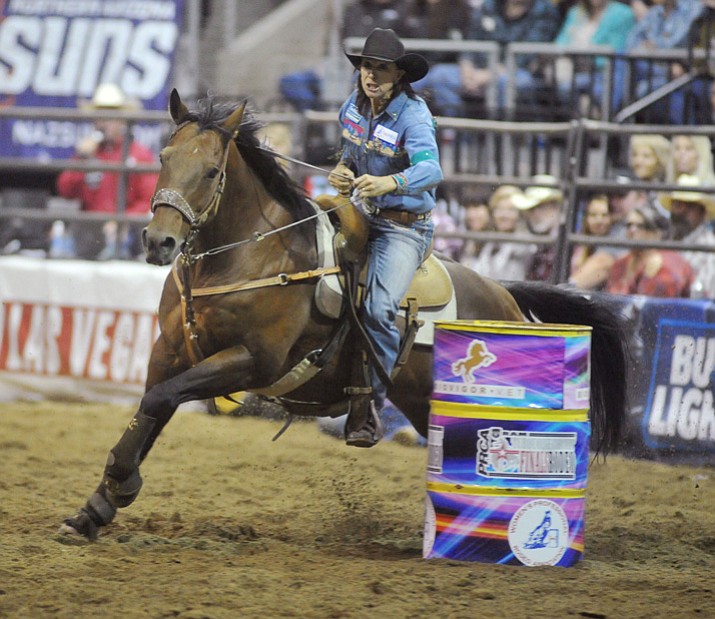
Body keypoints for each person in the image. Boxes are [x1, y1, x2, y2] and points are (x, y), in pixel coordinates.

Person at [327, 28, 442, 447]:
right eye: (365, 67)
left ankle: (370, 407)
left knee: (377, 309)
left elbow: (432, 171)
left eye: (380, 69)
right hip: (362, 213)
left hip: (403, 227)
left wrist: (389, 182)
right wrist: (342, 171)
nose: (370, 75)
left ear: (399, 75)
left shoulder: (414, 115)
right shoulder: (352, 110)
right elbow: (349, 156)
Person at [56, 83, 158, 259]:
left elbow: (149, 198)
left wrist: (123, 220)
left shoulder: (139, 154)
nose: (104, 122)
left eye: (110, 116)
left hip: (126, 229)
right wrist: (81, 159)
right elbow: (65, 190)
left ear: (122, 119)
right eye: (100, 116)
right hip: (91, 230)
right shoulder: (87, 153)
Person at [412, 0, 562, 117]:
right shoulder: (489, 6)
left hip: (519, 72)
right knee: (441, 75)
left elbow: (526, 56)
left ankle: (500, 138)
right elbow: (471, 41)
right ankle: (463, 133)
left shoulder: (544, 10)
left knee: (505, 84)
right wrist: (467, 70)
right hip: (478, 70)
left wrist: (488, 75)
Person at [618, 0, 703, 122]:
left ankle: (613, 113)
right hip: (658, 68)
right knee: (623, 58)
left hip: (685, 70)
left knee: (645, 88)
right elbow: (631, 43)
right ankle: (615, 110)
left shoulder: (692, 8)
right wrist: (650, 48)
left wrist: (654, 46)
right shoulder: (655, 12)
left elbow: (678, 42)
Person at [554, 0, 636, 112]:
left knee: (570, 87)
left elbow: (617, 50)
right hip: (573, 71)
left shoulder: (622, 14)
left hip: (604, 74)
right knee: (564, 83)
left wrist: (587, 56)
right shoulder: (576, 12)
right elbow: (560, 43)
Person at [605, 204, 694, 297]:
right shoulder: (621, 263)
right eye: (629, 225)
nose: (632, 231)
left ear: (656, 233)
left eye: (640, 226)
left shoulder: (670, 261)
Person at [658, 174, 715, 297]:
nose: (681, 211)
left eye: (689, 206)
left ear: (702, 212)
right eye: (677, 205)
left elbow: (704, 294)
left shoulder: (709, 246)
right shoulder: (664, 240)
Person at [467, 184, 534, 280]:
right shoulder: (489, 241)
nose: (504, 215)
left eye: (511, 210)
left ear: (519, 214)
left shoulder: (524, 243)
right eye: (499, 209)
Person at [512, 174, 564, 282]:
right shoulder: (540, 238)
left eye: (541, 207)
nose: (535, 214)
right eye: (532, 209)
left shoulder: (563, 238)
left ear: (555, 207)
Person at [569, 193, 614, 289]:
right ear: (586, 218)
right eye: (593, 215)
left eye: (604, 215)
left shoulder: (614, 244)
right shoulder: (578, 245)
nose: (599, 220)